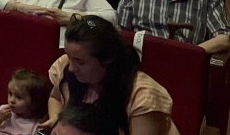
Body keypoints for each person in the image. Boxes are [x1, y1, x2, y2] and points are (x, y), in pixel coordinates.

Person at [44, 16, 176, 134]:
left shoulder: (142, 95)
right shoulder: (66, 65)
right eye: (68, 56)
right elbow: (55, 98)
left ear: (108, 58)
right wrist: (57, 118)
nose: (71, 68)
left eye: (81, 62)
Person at [0, 69, 51, 135]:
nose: (12, 100)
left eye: (19, 97)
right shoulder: (3, 110)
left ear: (34, 103)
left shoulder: (37, 124)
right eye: (10, 94)